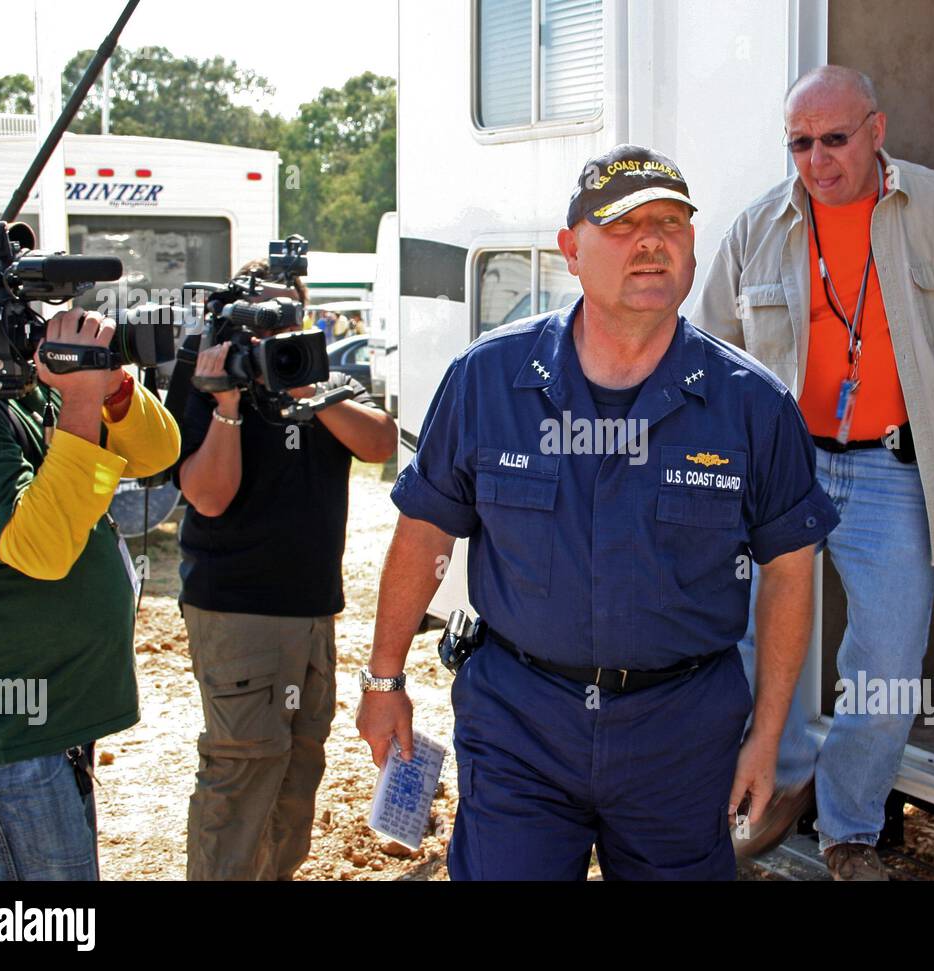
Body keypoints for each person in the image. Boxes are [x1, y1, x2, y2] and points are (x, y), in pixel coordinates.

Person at [357, 144, 840, 880]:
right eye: (623, 224)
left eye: (672, 223)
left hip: (679, 737)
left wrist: (768, 735)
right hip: (521, 724)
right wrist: (384, 680)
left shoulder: (752, 404)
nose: (652, 240)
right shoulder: (490, 379)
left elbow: (788, 573)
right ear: (570, 250)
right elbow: (425, 530)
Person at [693, 66, 934, 880]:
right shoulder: (759, 226)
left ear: (876, 130)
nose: (817, 159)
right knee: (750, 640)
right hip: (787, 467)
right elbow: (709, 349)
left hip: (896, 466)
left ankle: (850, 824)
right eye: (799, 142)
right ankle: (778, 783)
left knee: (889, 664)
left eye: (834, 138)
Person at [0, 221, 182, 880]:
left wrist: (109, 391)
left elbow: (158, 453)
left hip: (39, 715)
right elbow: (40, 547)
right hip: (1, 727)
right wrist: (76, 406)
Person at [175, 258, 396, 881]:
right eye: (260, 318)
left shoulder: (318, 374)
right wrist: (226, 406)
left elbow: (380, 445)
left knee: (300, 765)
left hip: (311, 607)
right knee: (242, 764)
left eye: (286, 315)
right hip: (237, 606)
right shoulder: (209, 374)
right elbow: (209, 497)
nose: (274, 331)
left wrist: (308, 390)